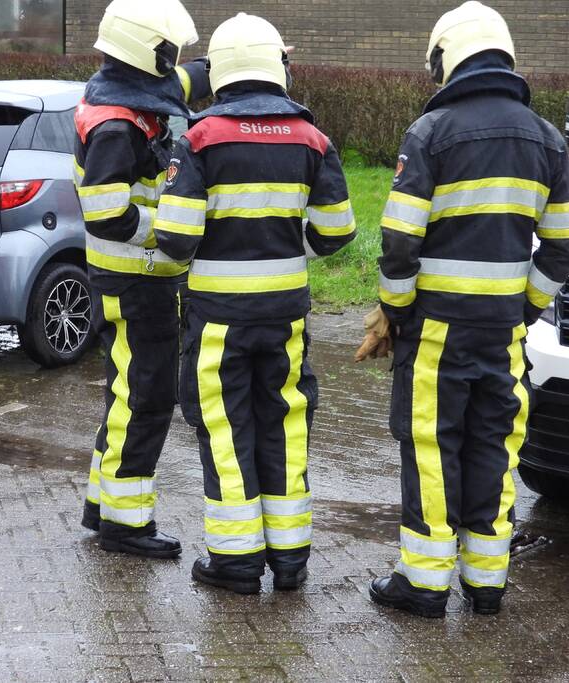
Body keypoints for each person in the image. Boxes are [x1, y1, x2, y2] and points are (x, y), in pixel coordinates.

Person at [357, 1, 569, 617]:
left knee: (431, 446)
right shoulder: (548, 140)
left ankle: (424, 584)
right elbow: (563, 247)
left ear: (447, 60)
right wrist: (524, 309)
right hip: (503, 334)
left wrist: (396, 312)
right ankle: (487, 583)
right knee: (493, 445)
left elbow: (401, 240)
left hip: (435, 331)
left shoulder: (431, 134)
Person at [154, 13, 356, 594]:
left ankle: (236, 563)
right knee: (286, 426)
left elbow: (175, 239)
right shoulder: (312, 138)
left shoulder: (200, 138)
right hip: (286, 318)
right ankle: (290, 562)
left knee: (225, 428)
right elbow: (336, 233)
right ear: (279, 68)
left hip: (219, 319)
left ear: (219, 71)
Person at [76, 0, 211, 558]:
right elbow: (106, 213)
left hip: (129, 281)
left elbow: (180, 80)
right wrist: (171, 230)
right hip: (137, 282)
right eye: (168, 54)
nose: (173, 63)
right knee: (147, 399)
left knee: (124, 394)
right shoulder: (115, 126)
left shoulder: (119, 91)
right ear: (146, 53)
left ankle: (101, 506)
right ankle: (125, 526)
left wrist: (248, 62)